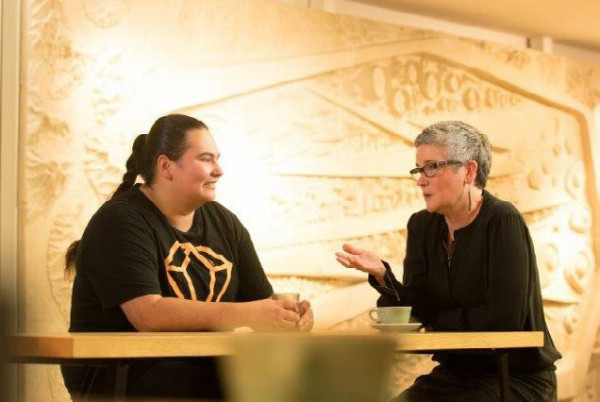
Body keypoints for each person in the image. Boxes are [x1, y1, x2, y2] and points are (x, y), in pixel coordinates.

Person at [62, 114, 314, 400]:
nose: (219, 170)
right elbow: (149, 314)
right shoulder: (120, 220)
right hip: (122, 376)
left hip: (202, 366)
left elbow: (262, 302)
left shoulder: (224, 222)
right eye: (206, 159)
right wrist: (251, 314)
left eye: (217, 159)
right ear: (166, 167)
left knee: (304, 382)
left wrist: (288, 317)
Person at [336, 121, 561, 401]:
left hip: (516, 378)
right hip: (456, 375)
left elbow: (504, 319)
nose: (421, 179)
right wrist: (383, 276)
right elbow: (417, 310)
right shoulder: (422, 226)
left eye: (431, 167)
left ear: (468, 171)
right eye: (419, 169)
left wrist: (438, 319)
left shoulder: (502, 220)